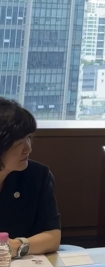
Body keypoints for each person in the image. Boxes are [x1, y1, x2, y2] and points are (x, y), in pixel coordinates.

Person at [0, 98, 61, 257]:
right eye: (19, 142)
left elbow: (52, 237)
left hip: (22, 266)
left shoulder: (37, 175)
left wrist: (15, 247)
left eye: (29, 138)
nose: (28, 148)